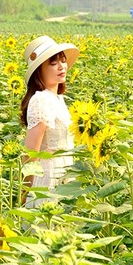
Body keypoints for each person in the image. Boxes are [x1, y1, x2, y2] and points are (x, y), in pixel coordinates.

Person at [19, 35, 80, 208]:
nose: (62, 67)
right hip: (49, 179)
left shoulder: (58, 98)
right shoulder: (41, 100)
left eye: (63, 60)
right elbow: (31, 153)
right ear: (39, 70)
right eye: (53, 63)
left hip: (66, 175)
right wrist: (24, 192)